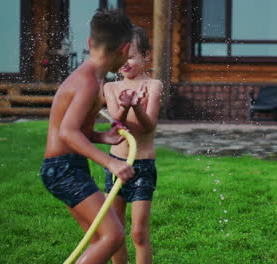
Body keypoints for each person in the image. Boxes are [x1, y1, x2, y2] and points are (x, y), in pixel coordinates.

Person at [40, 9, 135, 264]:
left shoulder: (93, 79)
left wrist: (103, 137)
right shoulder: (88, 82)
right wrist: (111, 162)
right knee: (112, 236)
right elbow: (67, 132)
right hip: (63, 169)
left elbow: (75, 129)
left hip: (66, 167)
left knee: (98, 239)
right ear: (125, 49)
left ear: (90, 43)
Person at [103, 25, 163, 264]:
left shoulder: (153, 86)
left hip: (142, 165)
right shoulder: (111, 87)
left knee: (138, 233)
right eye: (119, 57)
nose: (124, 63)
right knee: (115, 232)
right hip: (115, 164)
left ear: (145, 55)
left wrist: (136, 105)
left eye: (130, 56)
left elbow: (148, 126)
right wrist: (126, 104)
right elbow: (116, 120)